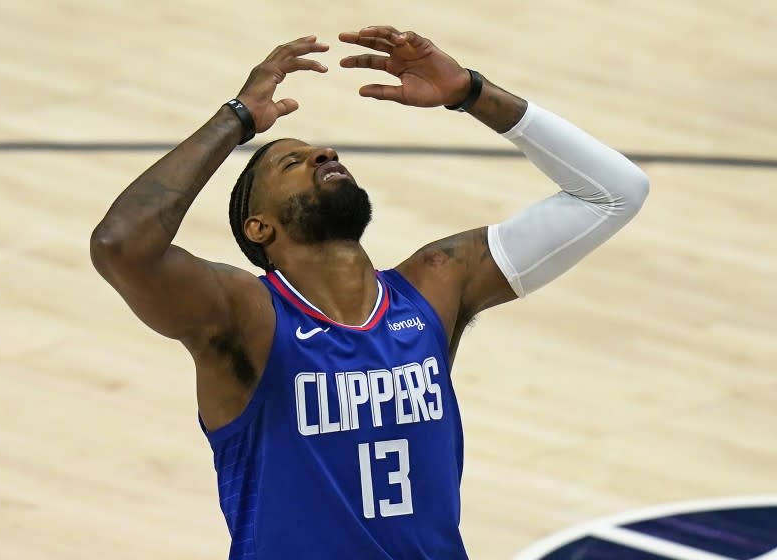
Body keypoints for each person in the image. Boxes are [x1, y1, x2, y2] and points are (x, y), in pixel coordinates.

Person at [90, 26, 649, 560]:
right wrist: (236, 120)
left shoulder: (434, 285)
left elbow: (615, 193)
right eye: (293, 161)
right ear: (259, 227)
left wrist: (470, 93)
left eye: (324, 152)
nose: (324, 153)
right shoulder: (247, 316)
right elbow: (120, 244)